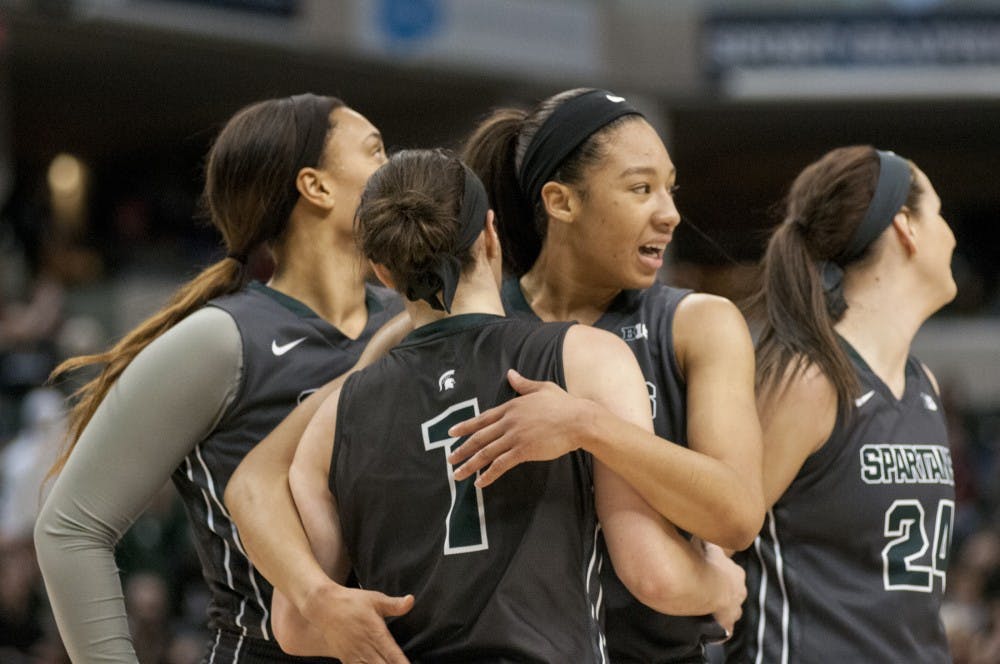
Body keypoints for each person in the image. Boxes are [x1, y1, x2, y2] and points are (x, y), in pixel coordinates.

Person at [270, 148, 746, 662]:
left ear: (383, 272)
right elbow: (653, 574)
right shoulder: (585, 357)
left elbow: (297, 625)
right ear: (489, 234)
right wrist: (720, 587)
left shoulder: (332, 418)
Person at [33, 93, 407, 663]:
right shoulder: (220, 340)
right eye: (375, 150)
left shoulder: (409, 320)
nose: (395, 168)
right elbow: (69, 529)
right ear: (317, 187)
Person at [441, 88, 764, 663]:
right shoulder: (470, 326)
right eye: (641, 189)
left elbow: (737, 516)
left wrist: (590, 426)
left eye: (670, 188)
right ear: (561, 201)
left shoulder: (698, 324)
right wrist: (318, 595)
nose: (669, 213)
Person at [724, 146, 957, 663]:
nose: (952, 234)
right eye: (939, 213)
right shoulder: (809, 381)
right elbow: (709, 541)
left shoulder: (926, 386)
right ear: (906, 227)